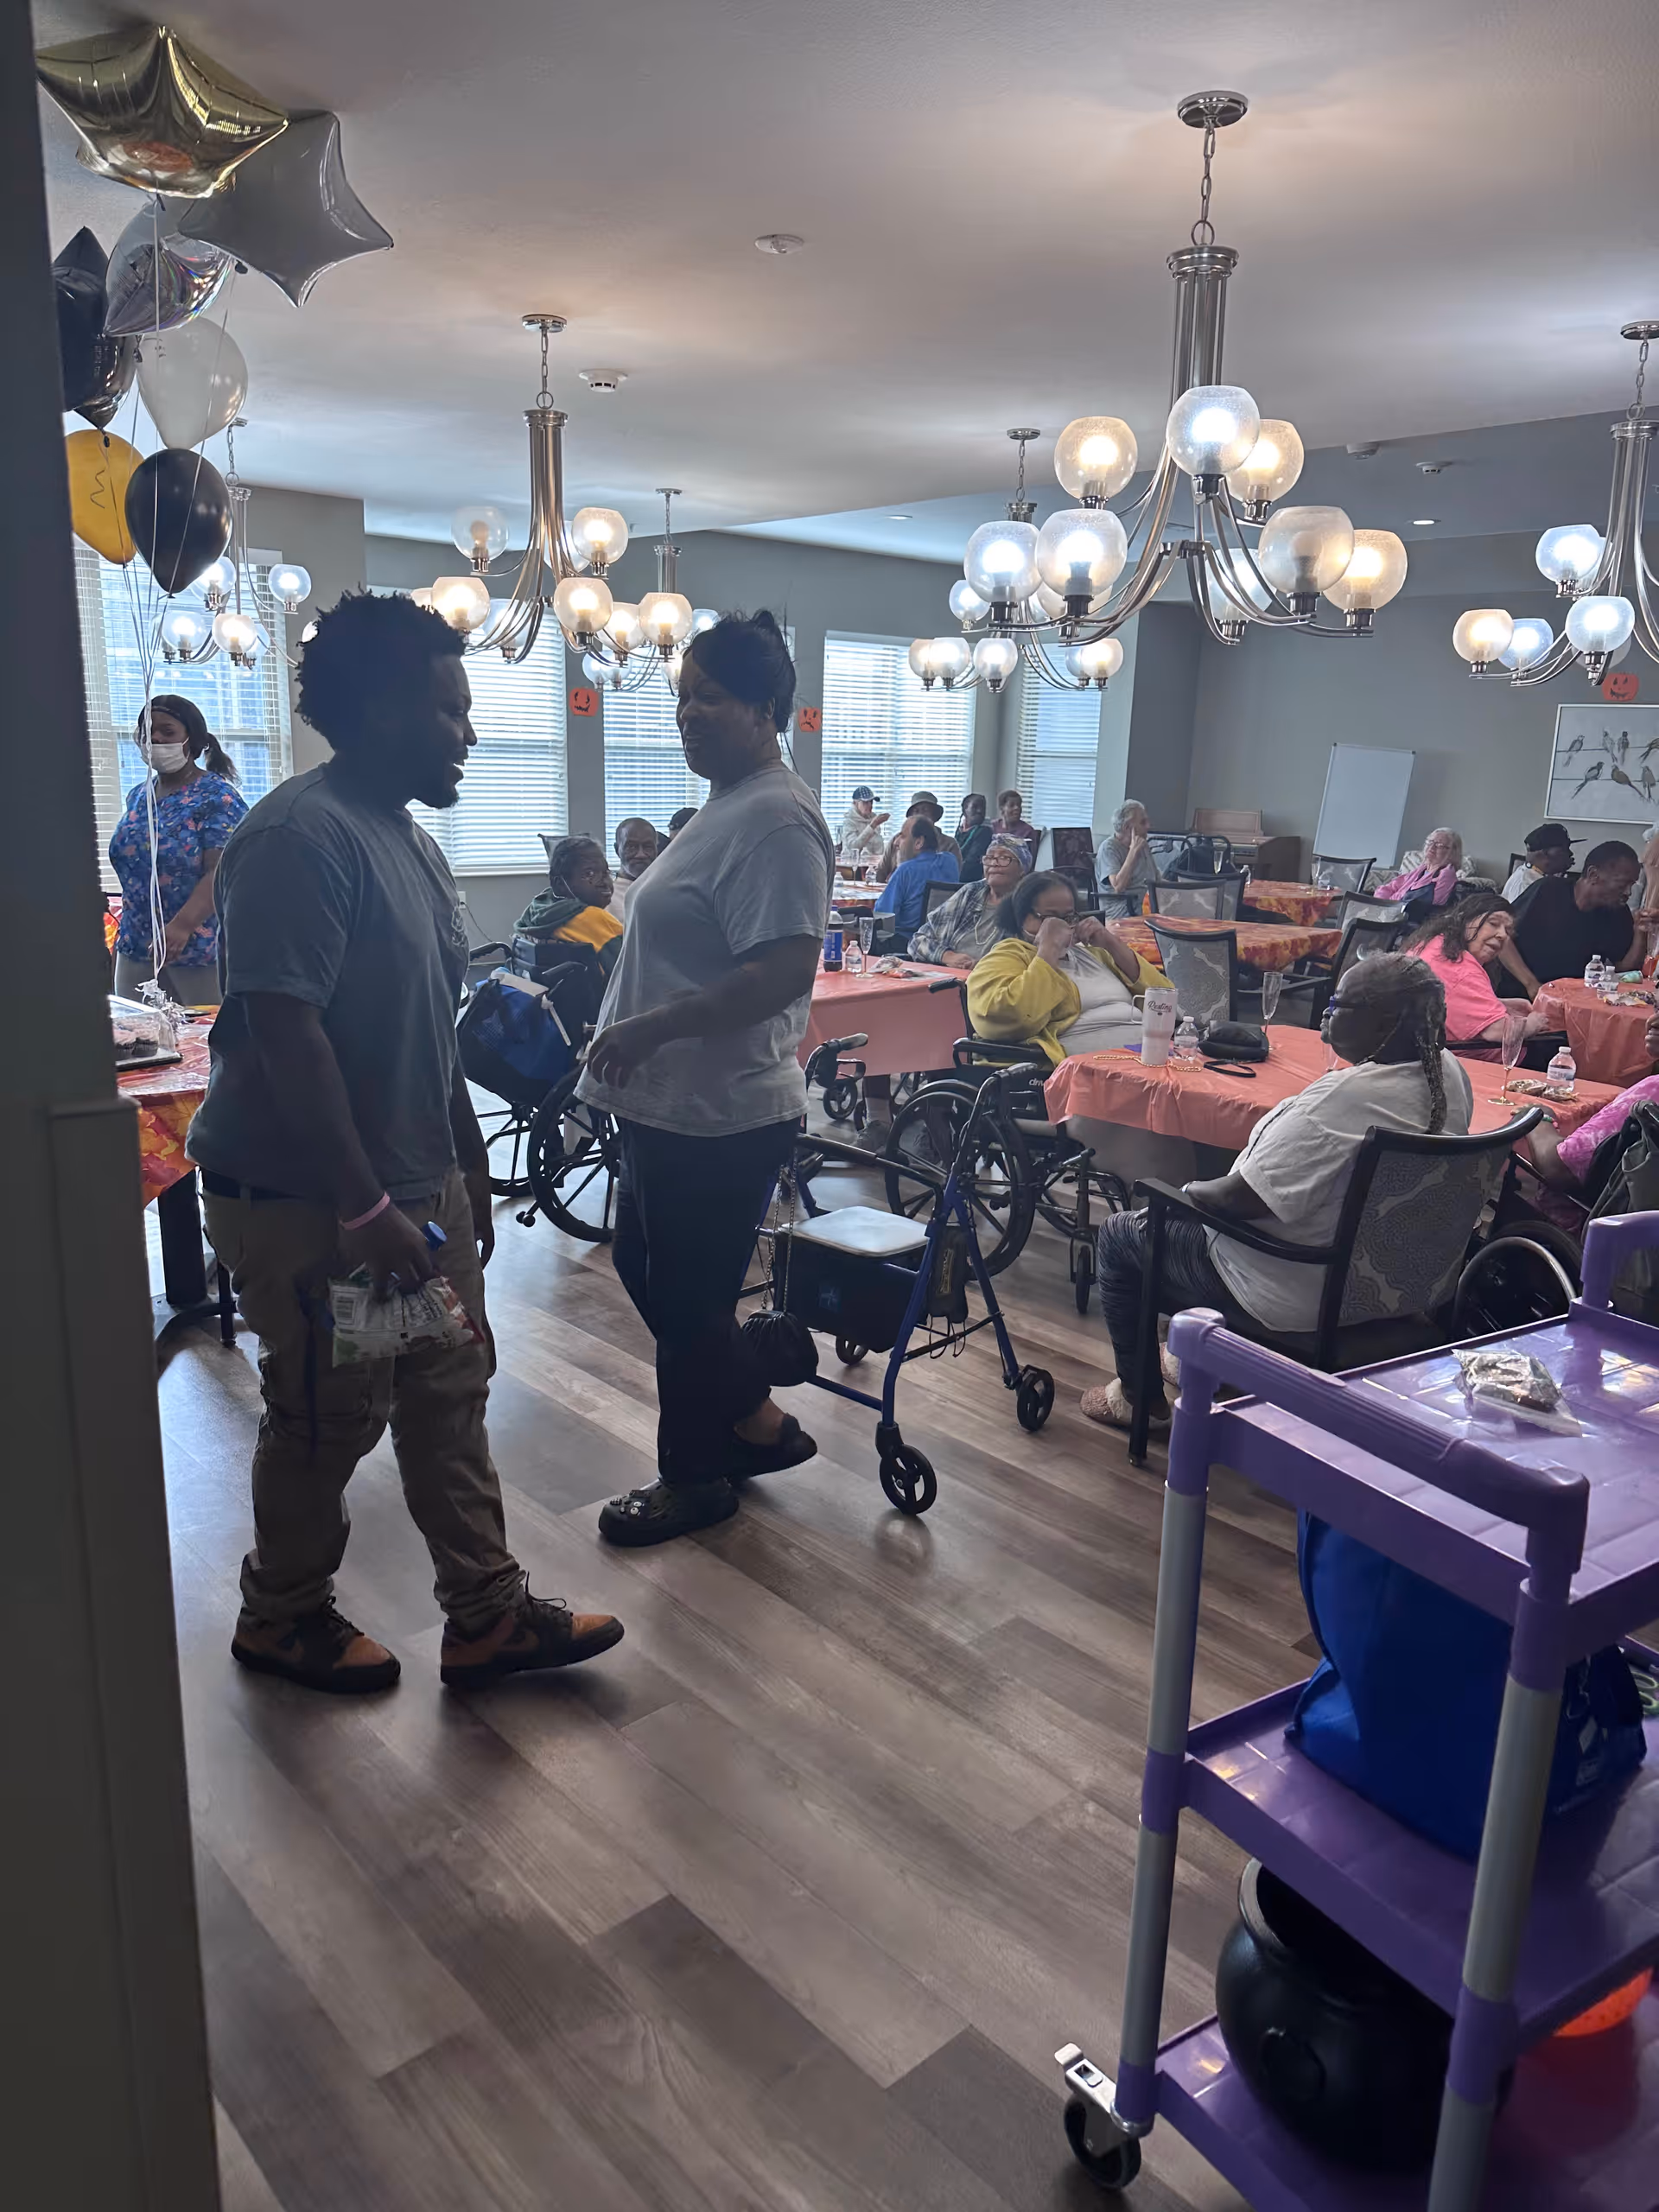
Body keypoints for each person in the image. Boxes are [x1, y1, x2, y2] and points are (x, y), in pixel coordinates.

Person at [188, 592, 622, 1694]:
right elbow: (288, 1036)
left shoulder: (411, 844)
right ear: (381, 712)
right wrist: (367, 1207)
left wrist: (460, 1171)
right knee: (335, 1413)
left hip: (408, 1185)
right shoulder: (296, 838)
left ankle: (485, 1615)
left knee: (446, 1385)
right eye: (449, 709)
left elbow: (421, 1031)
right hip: (311, 1200)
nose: (469, 733)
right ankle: (279, 1616)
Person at [577, 610, 834, 1548]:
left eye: (710, 698)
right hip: (675, 1105)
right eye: (682, 696)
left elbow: (782, 971)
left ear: (767, 708)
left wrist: (654, 1025)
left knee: (686, 1299)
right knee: (656, 1274)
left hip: (723, 1111)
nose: (687, 713)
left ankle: (695, 1478)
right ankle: (753, 1419)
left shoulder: (775, 816)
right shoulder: (726, 805)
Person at [1084, 954, 1473, 1432]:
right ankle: (1201, 1362)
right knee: (1183, 1218)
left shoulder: (1342, 1102)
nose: (1327, 1012)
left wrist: (1183, 1192)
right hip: (1396, 1285)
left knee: (1125, 1233)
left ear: (1385, 1021)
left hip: (1296, 1290)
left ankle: (1137, 1399)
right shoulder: (1448, 1074)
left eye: (1339, 1003)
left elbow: (1236, 1199)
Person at [108, 694, 247, 1006]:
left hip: (197, 951)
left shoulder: (216, 797)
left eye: (167, 731)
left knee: (201, 1046)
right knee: (140, 1045)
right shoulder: (138, 796)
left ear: (191, 740)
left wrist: (183, 925)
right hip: (136, 947)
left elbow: (223, 870)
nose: (155, 737)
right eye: (147, 732)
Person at [968, 869, 1166, 1065]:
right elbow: (1001, 1018)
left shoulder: (1093, 953)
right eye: (1049, 918)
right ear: (1022, 918)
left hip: (1147, 1058)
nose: (1061, 926)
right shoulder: (1007, 956)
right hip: (1076, 1074)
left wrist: (1111, 943)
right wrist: (1048, 949)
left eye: (1068, 917)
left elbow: (1166, 1000)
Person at [1403, 894, 1554, 1058]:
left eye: (1508, 931)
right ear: (1464, 920)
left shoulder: (1436, 943)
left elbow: (1451, 997)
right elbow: (1499, 1031)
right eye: (1493, 923)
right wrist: (1533, 1023)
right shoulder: (1461, 968)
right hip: (1458, 1064)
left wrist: (1500, 1004)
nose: (1502, 935)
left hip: (1418, 1050)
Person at [1526, 1011, 1659, 1187]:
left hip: (1594, 1211)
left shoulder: (1652, 1091)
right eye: (1657, 1009)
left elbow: (1557, 1167)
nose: (1653, 1021)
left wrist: (1539, 1117)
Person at [1500, 839, 1643, 993]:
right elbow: (1501, 937)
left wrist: (1641, 931)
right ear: (1593, 874)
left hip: (1570, 998)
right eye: (1622, 884)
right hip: (1519, 992)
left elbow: (1626, 970)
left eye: (1632, 885)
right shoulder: (1548, 890)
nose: (1628, 892)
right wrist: (1531, 984)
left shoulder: (1617, 911)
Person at [514, 834, 625, 1026]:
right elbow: (634, 968)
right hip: (604, 1017)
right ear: (559, 883)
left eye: (606, 872)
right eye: (589, 874)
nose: (604, 882)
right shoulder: (593, 918)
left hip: (551, 1017)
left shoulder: (537, 909)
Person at [909, 833, 1027, 967]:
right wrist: (947, 956)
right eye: (989, 858)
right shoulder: (971, 892)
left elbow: (1026, 959)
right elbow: (918, 941)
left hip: (992, 982)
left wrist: (983, 967)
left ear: (1022, 868)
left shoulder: (1028, 903)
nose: (994, 863)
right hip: (946, 978)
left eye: (1004, 858)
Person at [874, 817, 959, 942]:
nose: (896, 842)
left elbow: (883, 917)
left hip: (907, 943)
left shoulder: (905, 871)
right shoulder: (950, 861)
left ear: (918, 842)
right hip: (942, 942)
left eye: (902, 836)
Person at [1095, 799, 1160, 919]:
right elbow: (1118, 886)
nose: (1148, 826)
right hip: (1123, 909)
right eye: (1143, 822)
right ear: (1126, 827)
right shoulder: (1109, 848)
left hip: (1148, 904)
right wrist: (1133, 851)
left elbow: (1157, 879)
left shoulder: (1143, 845)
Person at [1375, 826, 1463, 912]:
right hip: (1388, 912)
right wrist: (1382, 905)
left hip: (1404, 920)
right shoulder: (1420, 871)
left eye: (1439, 845)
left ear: (1452, 853)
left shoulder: (1446, 876)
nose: (1432, 847)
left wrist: (1387, 907)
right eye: (1430, 842)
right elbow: (1387, 888)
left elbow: (1433, 904)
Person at [877, 791, 962, 879]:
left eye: (925, 810)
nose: (920, 815)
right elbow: (881, 871)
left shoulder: (949, 844)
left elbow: (951, 880)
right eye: (916, 811)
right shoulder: (898, 840)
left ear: (935, 815)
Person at [1501, 823, 1578, 904]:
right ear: (1546, 853)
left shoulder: (1537, 875)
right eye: (1565, 849)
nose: (1570, 853)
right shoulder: (1525, 885)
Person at [608, 815, 660, 919]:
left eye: (648, 847)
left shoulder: (666, 888)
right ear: (617, 849)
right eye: (631, 847)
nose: (641, 854)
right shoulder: (605, 894)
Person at [836, 784, 889, 868]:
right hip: (853, 868)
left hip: (873, 867)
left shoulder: (874, 818)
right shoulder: (849, 822)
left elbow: (878, 848)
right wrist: (872, 826)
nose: (870, 805)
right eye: (865, 802)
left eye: (871, 802)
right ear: (855, 803)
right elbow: (853, 847)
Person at [995, 787, 1041, 868]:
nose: (1017, 808)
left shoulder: (1028, 831)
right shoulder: (992, 827)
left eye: (1019, 805)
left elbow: (1030, 862)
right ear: (1002, 808)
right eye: (1012, 805)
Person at [956, 793, 993, 880]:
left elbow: (971, 864)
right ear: (965, 809)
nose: (980, 811)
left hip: (968, 883)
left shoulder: (984, 832)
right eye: (975, 807)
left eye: (983, 808)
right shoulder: (960, 831)